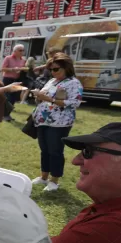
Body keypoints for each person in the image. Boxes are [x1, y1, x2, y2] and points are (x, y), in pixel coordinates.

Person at [31, 54, 83, 192]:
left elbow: (74, 103)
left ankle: (54, 180)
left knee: (55, 151)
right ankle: (43, 177)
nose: (53, 72)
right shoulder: (52, 81)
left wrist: (49, 99)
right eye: (51, 70)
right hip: (43, 121)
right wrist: (38, 96)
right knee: (45, 150)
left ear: (66, 68)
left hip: (60, 123)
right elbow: (44, 96)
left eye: (56, 69)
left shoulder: (74, 83)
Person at [1, 44, 27, 117]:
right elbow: (2, 68)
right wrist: (13, 69)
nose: (22, 52)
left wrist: (24, 70)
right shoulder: (8, 58)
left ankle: (7, 114)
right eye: (20, 50)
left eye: (23, 50)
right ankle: (4, 114)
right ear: (14, 51)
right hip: (8, 79)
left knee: (14, 98)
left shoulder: (23, 60)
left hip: (17, 79)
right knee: (7, 97)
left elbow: (23, 69)